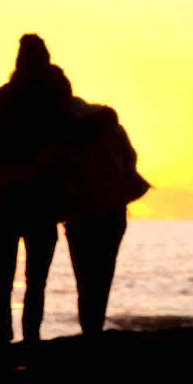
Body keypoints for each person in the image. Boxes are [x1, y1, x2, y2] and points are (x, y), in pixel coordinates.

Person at [0, 34, 71, 345]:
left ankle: (6, 341)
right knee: (33, 282)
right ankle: (30, 341)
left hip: (9, 203)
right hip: (36, 204)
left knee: (3, 281)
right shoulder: (53, 99)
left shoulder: (0, 98)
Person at [57, 97, 151, 334]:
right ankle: (95, 327)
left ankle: (89, 328)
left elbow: (59, 169)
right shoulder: (111, 124)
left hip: (80, 213)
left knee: (84, 279)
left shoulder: (60, 127)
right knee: (103, 275)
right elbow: (131, 158)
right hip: (113, 210)